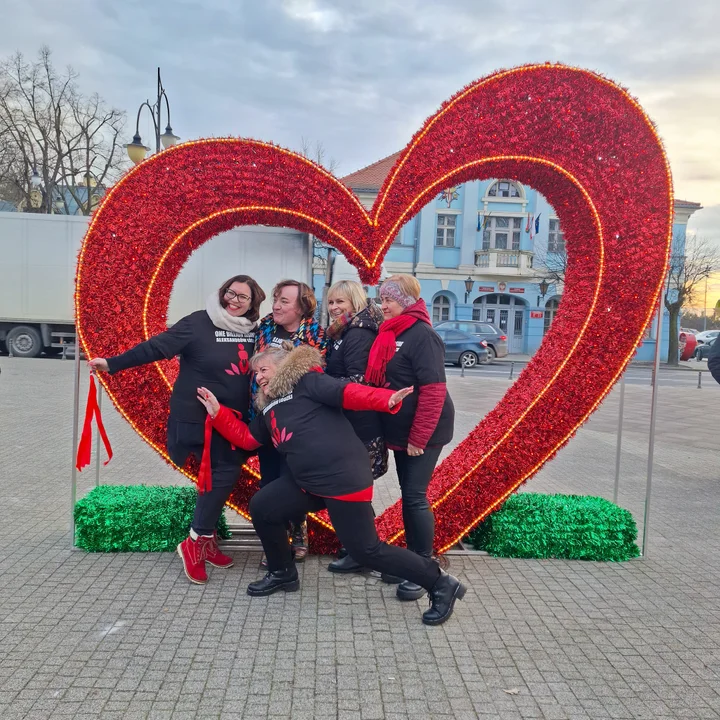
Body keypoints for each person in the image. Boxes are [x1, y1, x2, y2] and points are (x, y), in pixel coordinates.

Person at [197, 344, 467, 626]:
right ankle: (282, 573)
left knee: (366, 550)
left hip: (342, 479)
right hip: (307, 483)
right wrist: (218, 414)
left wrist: (385, 400)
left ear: (285, 365)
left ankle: (440, 583)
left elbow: (346, 392)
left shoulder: (308, 382)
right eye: (255, 374)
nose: (259, 378)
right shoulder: (270, 408)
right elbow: (247, 439)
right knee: (264, 506)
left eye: (264, 370)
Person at [88, 275, 265, 585]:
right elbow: (157, 347)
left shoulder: (253, 332)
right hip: (197, 421)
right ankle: (195, 542)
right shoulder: (199, 322)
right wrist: (113, 364)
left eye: (243, 298)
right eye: (230, 293)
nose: (234, 301)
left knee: (224, 475)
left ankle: (204, 539)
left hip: (232, 421)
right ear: (222, 292)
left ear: (253, 304)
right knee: (221, 474)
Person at [367, 274, 455, 601]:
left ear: (404, 300)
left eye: (388, 299)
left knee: (415, 496)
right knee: (409, 494)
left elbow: (433, 392)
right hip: (401, 430)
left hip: (424, 432)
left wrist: (419, 437)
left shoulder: (423, 336)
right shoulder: (390, 332)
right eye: (381, 299)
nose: (383, 305)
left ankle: (423, 570)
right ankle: (410, 561)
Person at [252, 280, 327, 562]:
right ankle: (275, 542)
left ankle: (299, 531)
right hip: (265, 417)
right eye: (276, 299)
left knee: (294, 480)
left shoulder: (316, 335)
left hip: (298, 423)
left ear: (302, 306)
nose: (277, 305)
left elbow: (318, 373)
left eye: (284, 301)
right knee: (269, 479)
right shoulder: (264, 328)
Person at [324, 280, 387, 574]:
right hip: (349, 422)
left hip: (360, 425)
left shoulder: (358, 333)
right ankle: (358, 548)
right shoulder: (344, 330)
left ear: (355, 303)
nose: (335, 308)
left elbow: (360, 380)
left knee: (356, 492)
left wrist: (320, 385)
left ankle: (362, 552)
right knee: (352, 490)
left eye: (341, 303)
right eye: (331, 302)